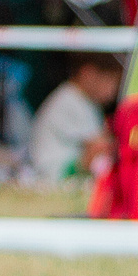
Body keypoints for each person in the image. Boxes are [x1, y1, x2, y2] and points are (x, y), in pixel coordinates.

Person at [26, 54, 119, 185]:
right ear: (88, 74)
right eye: (110, 81)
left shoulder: (87, 101)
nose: (112, 92)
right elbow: (98, 144)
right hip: (54, 171)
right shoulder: (69, 98)